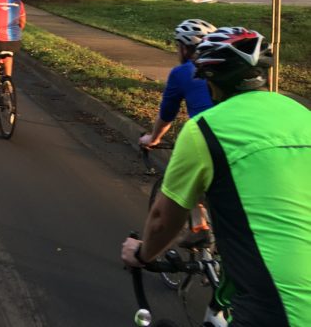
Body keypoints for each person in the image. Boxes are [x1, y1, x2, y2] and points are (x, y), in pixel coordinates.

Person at [122, 27, 311, 327]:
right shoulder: (301, 113)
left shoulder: (204, 129)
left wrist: (141, 255)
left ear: (212, 82)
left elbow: (161, 220)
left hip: (280, 306)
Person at [139, 19, 217, 147]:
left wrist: (153, 139)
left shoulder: (182, 72)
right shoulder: (228, 71)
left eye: (177, 46)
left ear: (184, 49)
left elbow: (166, 115)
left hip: (209, 141)